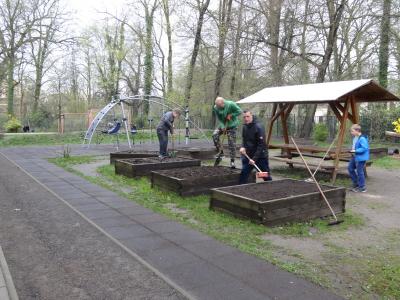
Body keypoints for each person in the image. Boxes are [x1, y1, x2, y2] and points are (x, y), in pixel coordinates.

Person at [239, 110, 272, 184]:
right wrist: (243, 147)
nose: (246, 119)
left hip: (260, 156)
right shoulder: (245, 127)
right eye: (244, 117)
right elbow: (244, 140)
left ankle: (272, 189)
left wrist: (254, 159)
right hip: (248, 156)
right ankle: (239, 190)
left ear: (252, 116)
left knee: (266, 177)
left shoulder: (258, 126)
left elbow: (261, 144)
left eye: (248, 116)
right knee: (244, 174)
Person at [213, 96, 242, 168]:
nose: (218, 108)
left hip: (232, 125)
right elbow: (219, 119)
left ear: (223, 103)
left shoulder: (231, 104)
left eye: (219, 106)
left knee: (231, 143)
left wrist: (231, 115)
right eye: (217, 106)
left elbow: (239, 111)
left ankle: (232, 161)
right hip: (223, 124)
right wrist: (222, 127)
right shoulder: (216, 107)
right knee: (215, 135)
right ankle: (220, 152)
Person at [348, 124, 369, 192]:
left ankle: (362, 187)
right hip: (355, 156)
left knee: (360, 172)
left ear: (357, 130)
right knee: (350, 168)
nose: (351, 133)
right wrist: (352, 150)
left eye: (352, 131)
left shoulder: (362, 138)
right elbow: (355, 146)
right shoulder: (355, 137)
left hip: (361, 158)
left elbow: (364, 148)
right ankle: (356, 183)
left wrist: (355, 150)